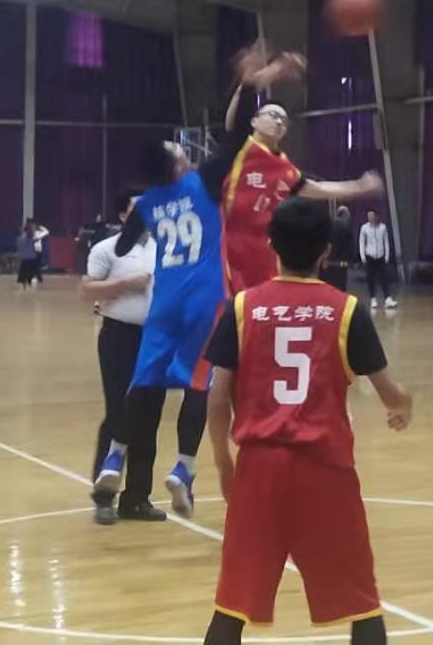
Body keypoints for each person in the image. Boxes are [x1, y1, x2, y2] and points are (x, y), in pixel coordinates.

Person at [95, 50, 300, 521]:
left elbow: (124, 244)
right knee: (199, 385)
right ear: (177, 164)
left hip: (163, 302)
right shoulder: (204, 184)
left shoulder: (149, 201)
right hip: (204, 301)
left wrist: (141, 225)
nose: (184, 150)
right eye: (178, 150)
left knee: (142, 384)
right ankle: (184, 467)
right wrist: (248, 82)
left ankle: (114, 458)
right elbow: (235, 137)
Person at [200, 197, 413, 645]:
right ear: (327, 252)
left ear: (271, 244)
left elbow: (217, 398)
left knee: (231, 605)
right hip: (325, 471)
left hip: (259, 470)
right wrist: (402, 403)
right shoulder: (347, 310)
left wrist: (222, 461)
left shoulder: (242, 307)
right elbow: (388, 391)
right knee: (363, 605)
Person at [220, 82, 383, 298]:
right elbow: (231, 123)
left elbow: (318, 188)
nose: (279, 122)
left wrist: (359, 186)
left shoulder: (284, 168)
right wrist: (245, 84)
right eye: (272, 115)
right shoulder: (242, 149)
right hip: (231, 255)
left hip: (267, 257)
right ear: (254, 121)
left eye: (283, 120)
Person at [78, 190, 155, 525]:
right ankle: (104, 496)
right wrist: (124, 284)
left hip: (156, 340)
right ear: (123, 216)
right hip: (119, 337)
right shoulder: (106, 249)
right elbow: (86, 290)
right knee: (119, 412)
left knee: (148, 415)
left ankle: (137, 498)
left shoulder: (165, 248)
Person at [359, 209, 396, 311]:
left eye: (372, 215)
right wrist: (362, 256)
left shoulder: (383, 227)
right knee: (370, 278)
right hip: (369, 256)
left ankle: (387, 298)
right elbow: (362, 242)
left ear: (376, 216)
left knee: (384, 277)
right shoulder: (364, 228)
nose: (370, 217)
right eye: (368, 215)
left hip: (380, 256)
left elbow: (386, 242)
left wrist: (387, 255)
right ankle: (373, 298)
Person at [323, 205, 356, 293]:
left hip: (329, 259)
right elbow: (349, 245)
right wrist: (352, 260)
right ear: (344, 215)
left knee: (330, 282)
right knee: (341, 283)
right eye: (348, 215)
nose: (349, 217)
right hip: (341, 260)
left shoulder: (329, 225)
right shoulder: (345, 227)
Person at [16, 219, 43, 289]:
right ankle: (29, 282)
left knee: (24, 271)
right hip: (30, 257)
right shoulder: (27, 237)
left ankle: (25, 283)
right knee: (30, 271)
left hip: (25, 257)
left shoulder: (21, 238)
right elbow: (34, 238)